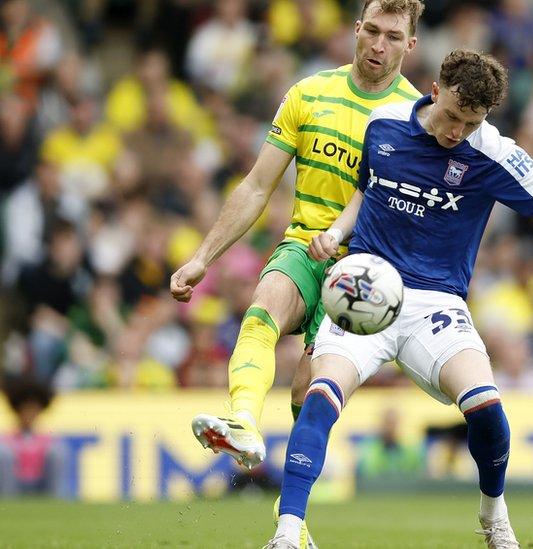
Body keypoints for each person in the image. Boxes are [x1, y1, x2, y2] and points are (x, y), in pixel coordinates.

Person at [266, 50, 533, 548]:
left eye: (471, 123)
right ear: (434, 91)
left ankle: (493, 515)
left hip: (436, 303)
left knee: (487, 410)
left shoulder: (495, 153)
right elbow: (366, 190)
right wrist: (335, 232)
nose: (456, 133)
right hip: (366, 288)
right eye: (451, 117)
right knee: (320, 396)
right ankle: (288, 535)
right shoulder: (384, 124)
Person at [171, 0, 424, 469]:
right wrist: (203, 257)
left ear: (410, 44)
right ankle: (242, 423)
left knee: (306, 396)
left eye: (392, 36)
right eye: (372, 30)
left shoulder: (416, 117)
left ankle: (292, 521)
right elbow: (256, 185)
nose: (378, 44)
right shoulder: (309, 93)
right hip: (304, 246)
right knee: (261, 310)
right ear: (355, 29)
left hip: (364, 271)